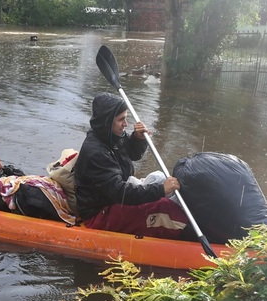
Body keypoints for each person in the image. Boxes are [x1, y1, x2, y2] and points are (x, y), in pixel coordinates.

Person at [74, 92, 189, 240]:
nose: (126, 124)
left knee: (160, 177)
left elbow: (132, 154)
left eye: (126, 118)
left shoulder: (111, 137)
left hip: (114, 198)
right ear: (107, 121)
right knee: (165, 208)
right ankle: (187, 233)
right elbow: (120, 192)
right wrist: (160, 190)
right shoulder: (96, 153)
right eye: (121, 120)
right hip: (100, 213)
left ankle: (189, 213)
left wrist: (137, 139)